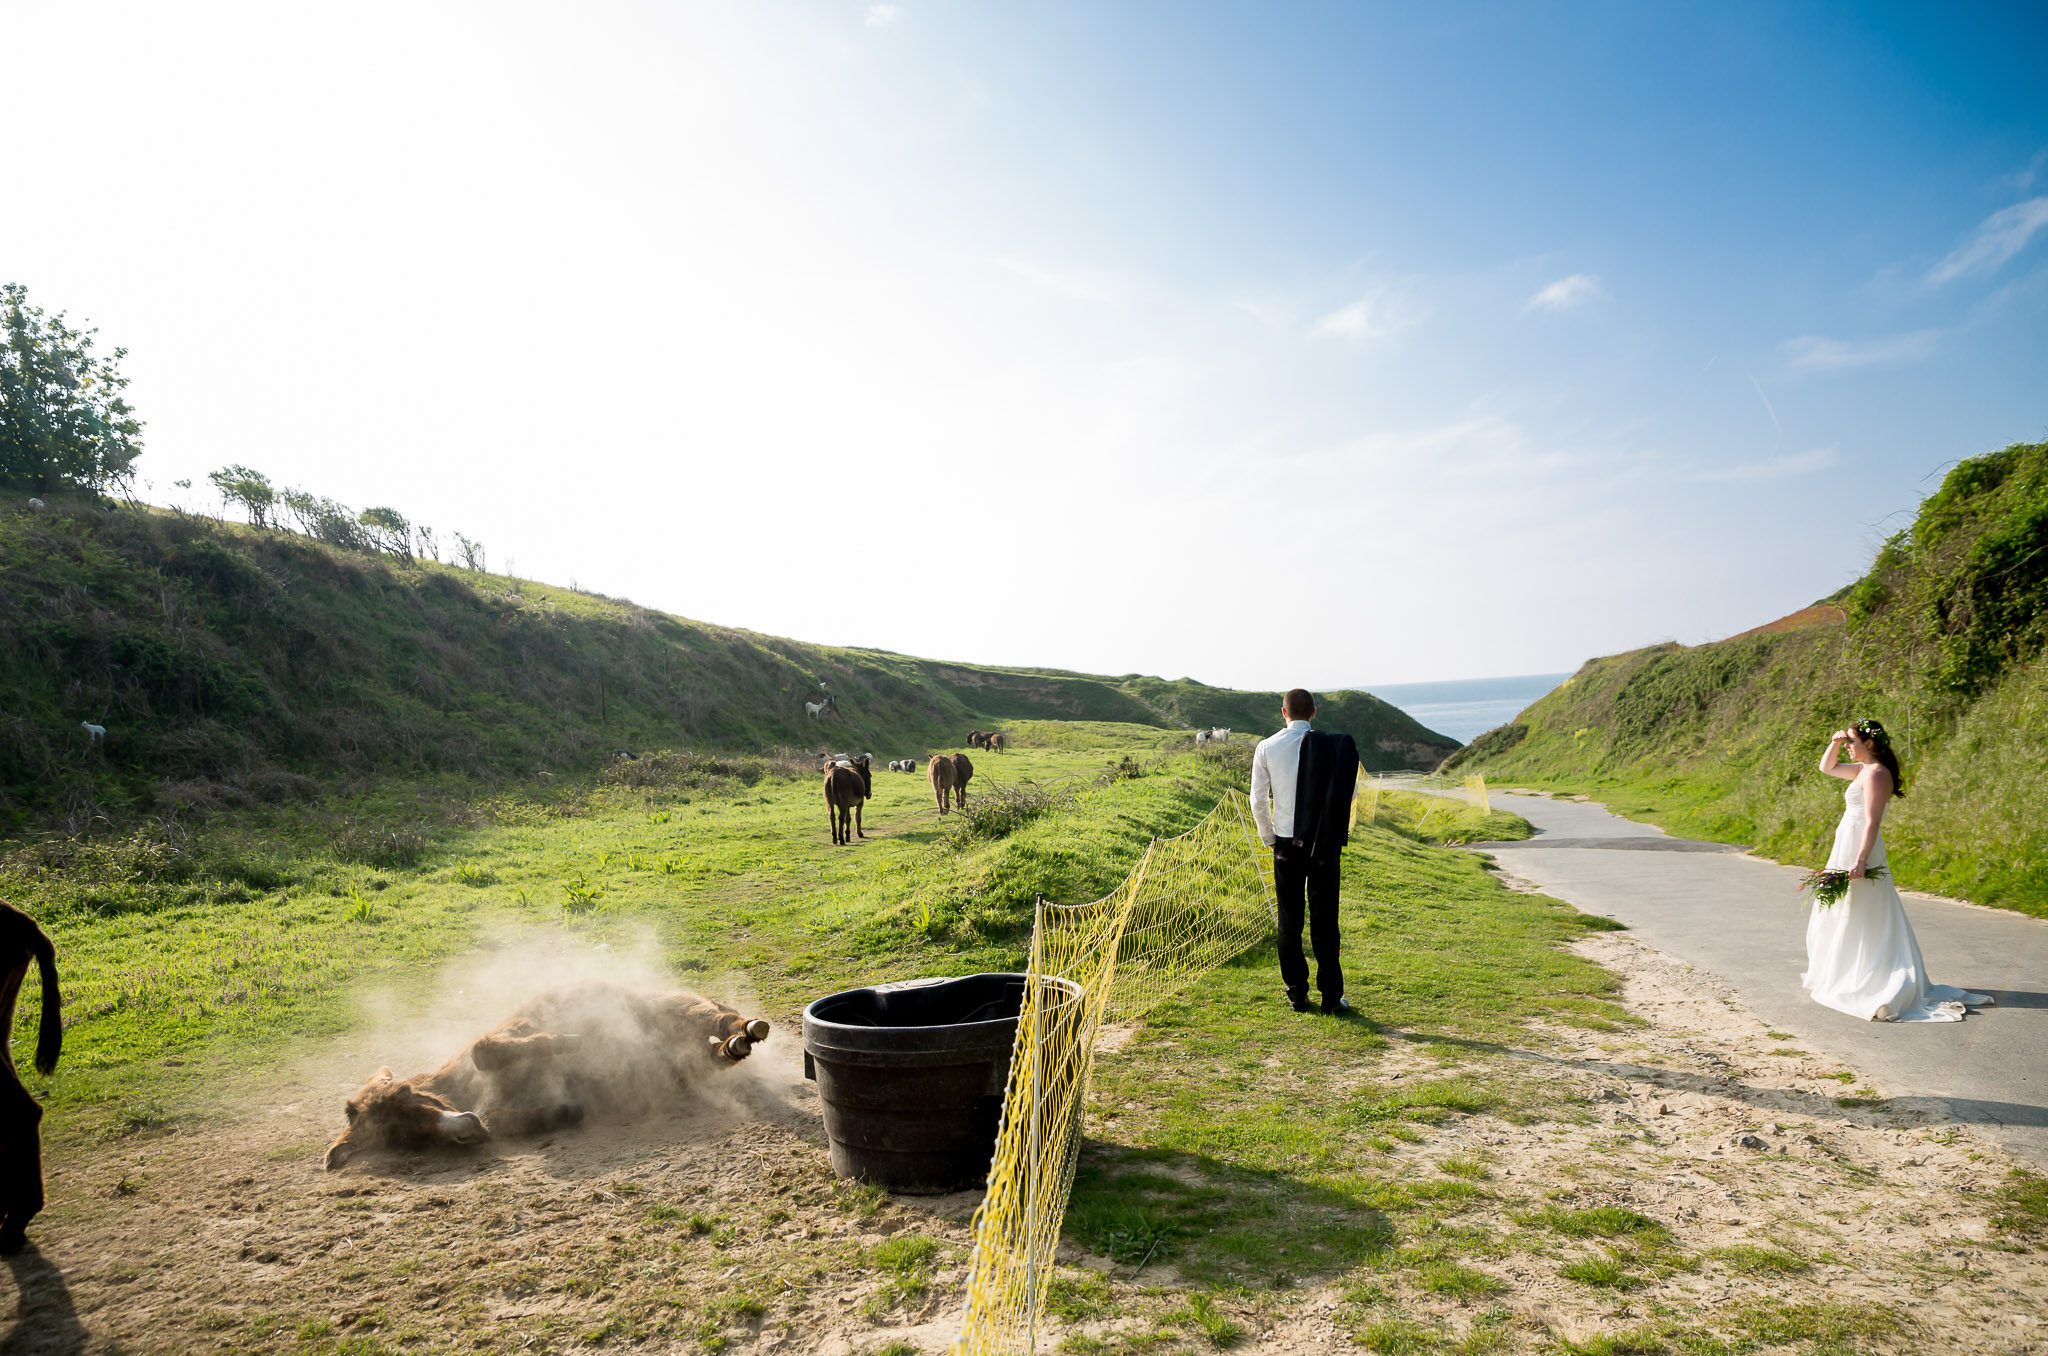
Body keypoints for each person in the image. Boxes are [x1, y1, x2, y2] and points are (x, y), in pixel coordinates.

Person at [1803, 719, 1992, 1022]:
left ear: (1871, 744)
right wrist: (1836, 742)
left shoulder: (1877, 774)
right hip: (1846, 842)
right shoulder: (1864, 770)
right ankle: (1847, 969)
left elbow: (1872, 822)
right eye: (1848, 742)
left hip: (1860, 847)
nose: (1849, 747)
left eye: (1852, 741)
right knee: (1846, 908)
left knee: (1865, 909)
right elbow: (1826, 767)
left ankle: (1876, 976)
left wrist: (1861, 859)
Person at [1250, 689, 1359, 1015]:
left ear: (1284, 712)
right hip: (1324, 843)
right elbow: (1349, 794)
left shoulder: (1267, 747)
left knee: (1290, 921)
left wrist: (1269, 838)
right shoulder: (1333, 747)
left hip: (1286, 845)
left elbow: (1257, 800)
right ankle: (1330, 997)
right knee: (1326, 921)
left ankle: (1297, 994)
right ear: (1313, 712)